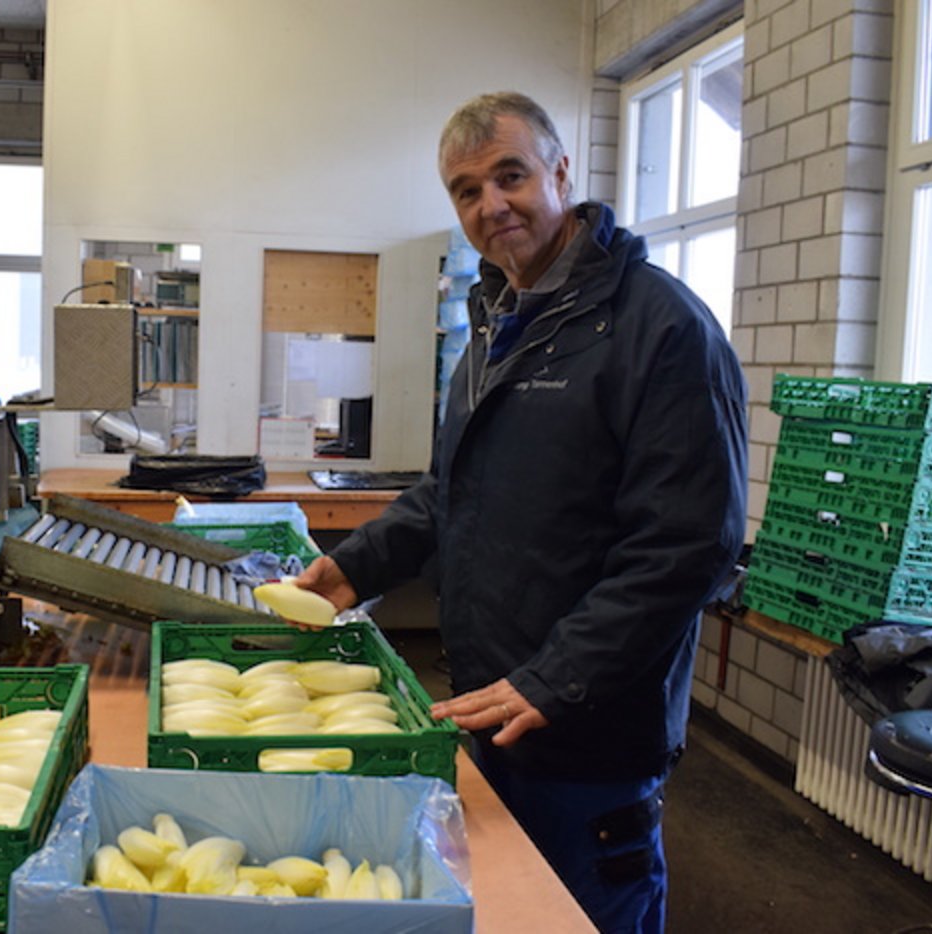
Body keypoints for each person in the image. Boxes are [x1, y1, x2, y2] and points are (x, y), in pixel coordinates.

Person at [293, 91, 748, 933]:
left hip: (589, 729)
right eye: (466, 191)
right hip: (495, 704)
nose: (491, 205)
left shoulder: (660, 327)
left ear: (561, 174)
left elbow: (689, 544)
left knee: (584, 914)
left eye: (511, 176)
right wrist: (355, 567)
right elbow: (452, 489)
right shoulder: (497, 325)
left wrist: (554, 679)